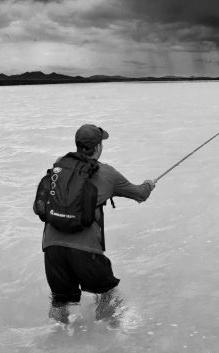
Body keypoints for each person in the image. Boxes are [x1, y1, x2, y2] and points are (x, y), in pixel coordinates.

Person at [42, 124, 156, 324]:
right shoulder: (107, 173)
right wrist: (149, 184)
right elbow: (140, 195)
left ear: (77, 145)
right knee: (108, 295)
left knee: (59, 304)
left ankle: (56, 339)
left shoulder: (59, 166)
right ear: (97, 148)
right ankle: (109, 338)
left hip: (52, 250)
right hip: (86, 251)